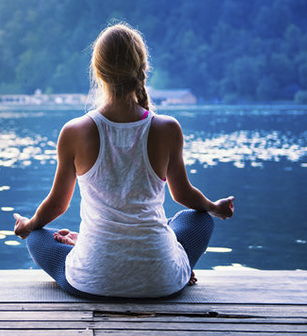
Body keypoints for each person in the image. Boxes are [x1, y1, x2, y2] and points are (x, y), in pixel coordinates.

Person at [13, 23, 235, 299]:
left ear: (97, 72)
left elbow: (57, 205)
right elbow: (184, 195)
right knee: (200, 219)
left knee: (37, 235)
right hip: (161, 282)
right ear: (143, 69)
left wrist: (28, 225)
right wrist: (214, 207)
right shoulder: (168, 128)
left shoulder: (74, 131)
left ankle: (87, 248)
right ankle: (175, 268)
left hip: (92, 281)